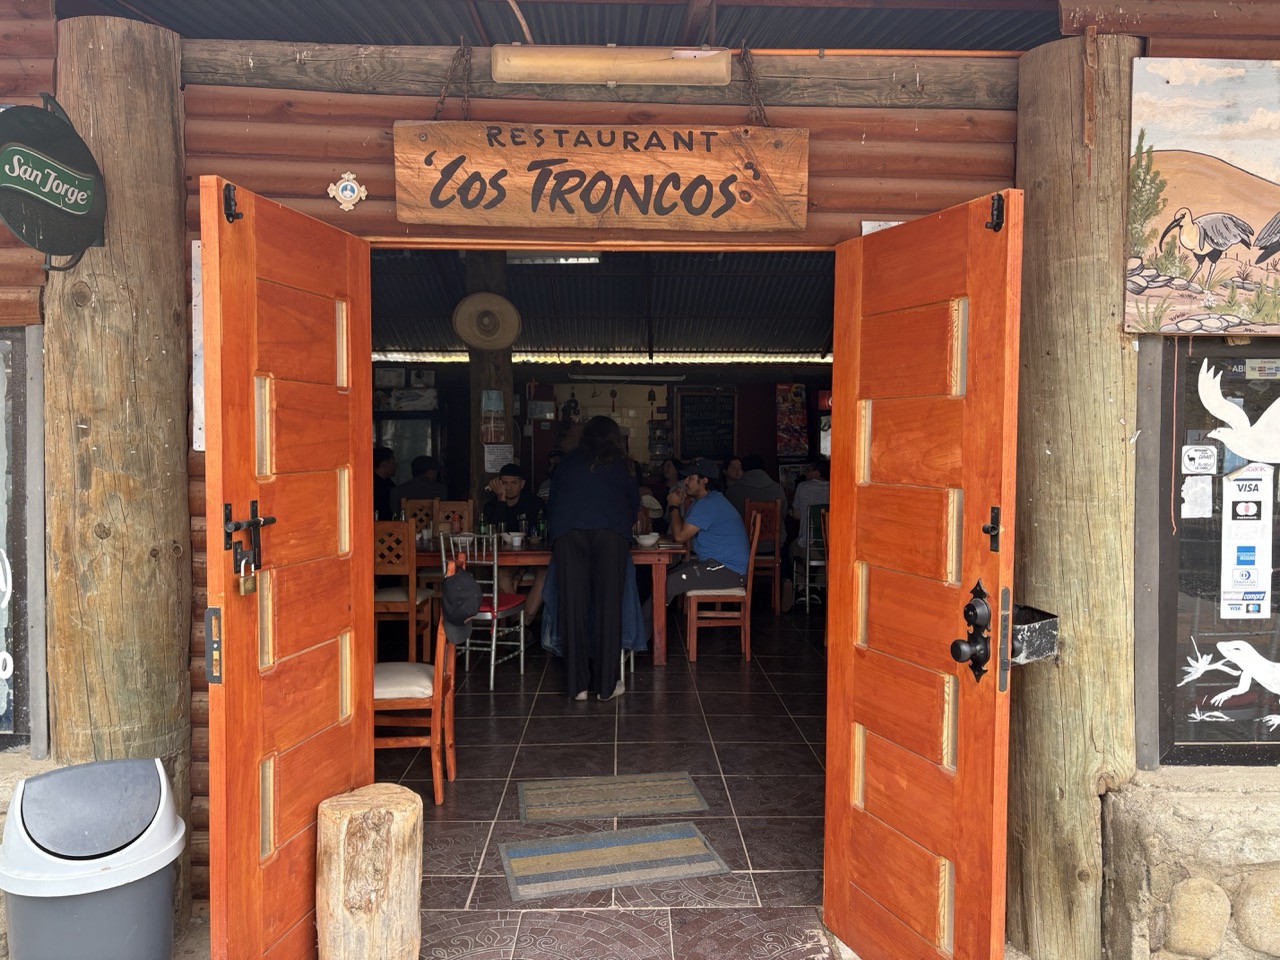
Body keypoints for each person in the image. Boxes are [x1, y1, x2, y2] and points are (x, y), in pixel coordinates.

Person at [549, 416, 640, 702]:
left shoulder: (567, 461)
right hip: (610, 531)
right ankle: (607, 685)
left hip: (568, 531)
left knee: (573, 607)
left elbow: (552, 500)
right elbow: (633, 504)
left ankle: (578, 686)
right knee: (607, 607)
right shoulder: (622, 465)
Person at [643, 457, 750, 631]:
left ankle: (634, 636)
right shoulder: (703, 502)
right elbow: (682, 531)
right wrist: (677, 506)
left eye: (690, 478)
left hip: (729, 570)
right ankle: (639, 633)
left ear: (705, 480)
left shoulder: (710, 504)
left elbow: (679, 536)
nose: (685, 481)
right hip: (717, 565)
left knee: (668, 583)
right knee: (664, 574)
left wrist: (674, 506)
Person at [482, 463, 549, 622]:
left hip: (532, 556)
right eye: (504, 483)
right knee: (503, 575)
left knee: (545, 574)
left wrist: (521, 573)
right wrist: (501, 500)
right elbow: (496, 531)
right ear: (498, 484)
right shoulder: (492, 505)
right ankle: (516, 625)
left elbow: (540, 534)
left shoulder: (534, 503)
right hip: (507, 559)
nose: (509, 487)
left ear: (522, 484)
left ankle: (524, 622)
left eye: (514, 483)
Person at [784, 460, 831, 608]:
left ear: (816, 472)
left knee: (792, 547)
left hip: (808, 547)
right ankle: (818, 586)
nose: (806, 474)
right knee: (828, 553)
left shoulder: (803, 487)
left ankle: (802, 587)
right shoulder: (835, 486)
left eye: (809, 470)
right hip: (831, 547)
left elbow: (796, 515)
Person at [372, 446, 397, 520]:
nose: (395, 465)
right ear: (384, 463)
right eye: (393, 461)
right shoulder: (375, 485)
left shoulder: (388, 483)